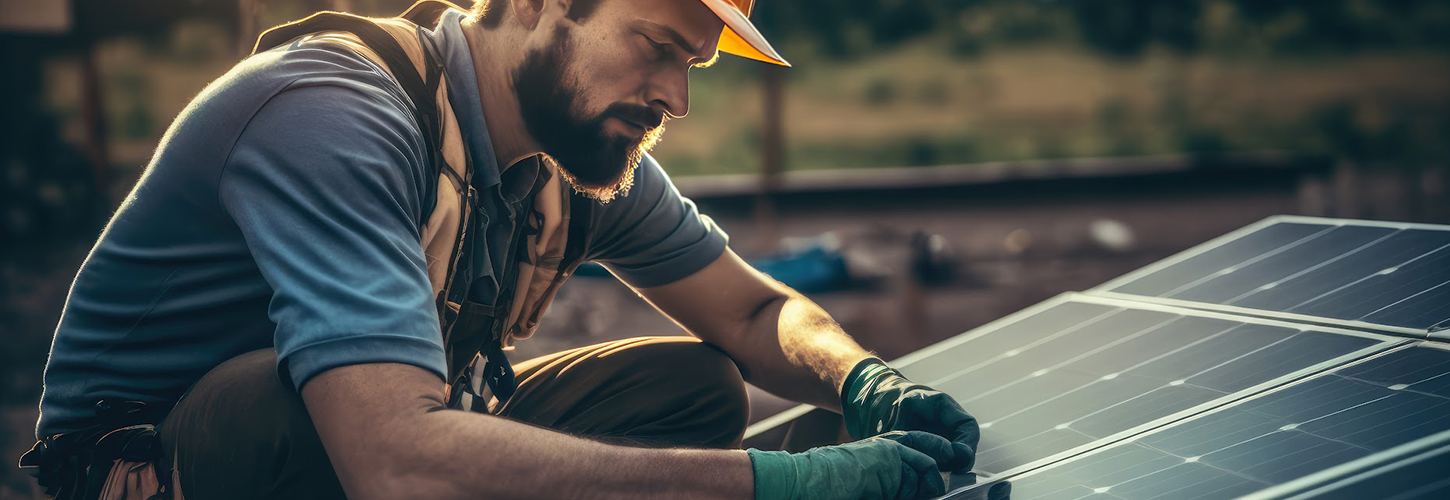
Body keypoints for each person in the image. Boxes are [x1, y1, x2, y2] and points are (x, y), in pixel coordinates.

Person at [21, 0, 979, 498]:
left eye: (691, 65)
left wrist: (865, 382)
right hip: (166, 461)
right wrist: (773, 486)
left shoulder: (576, 155)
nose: (675, 100)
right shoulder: (334, 114)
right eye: (654, 46)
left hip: (380, 445)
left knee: (695, 388)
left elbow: (755, 311)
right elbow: (394, 461)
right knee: (294, 404)